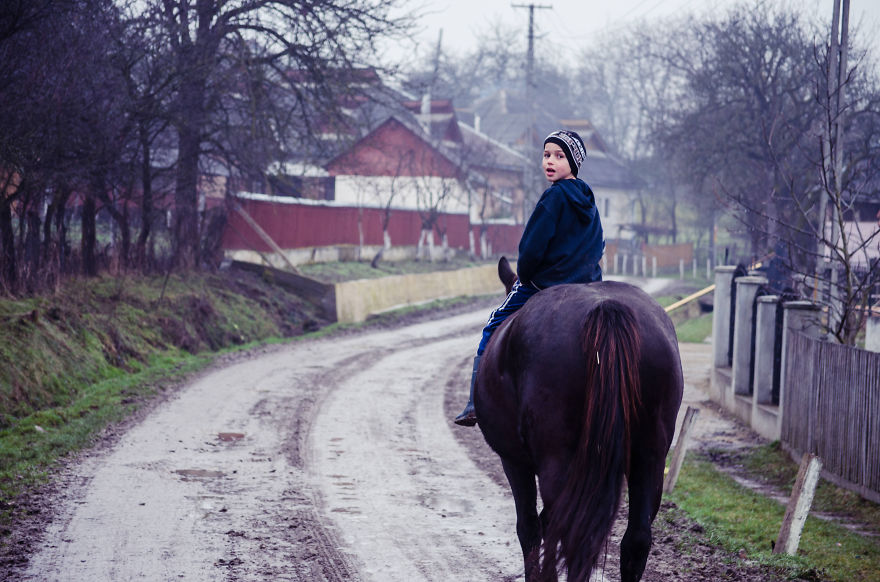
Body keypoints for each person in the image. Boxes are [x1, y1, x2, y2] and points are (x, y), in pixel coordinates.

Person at [454, 129, 605, 426]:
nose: (550, 161)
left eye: (559, 156)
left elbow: (532, 248)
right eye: (546, 155)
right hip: (587, 285)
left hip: (545, 285)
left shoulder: (553, 197)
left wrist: (525, 275)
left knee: (493, 323)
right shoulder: (588, 199)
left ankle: (474, 404)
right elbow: (598, 244)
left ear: (573, 163)